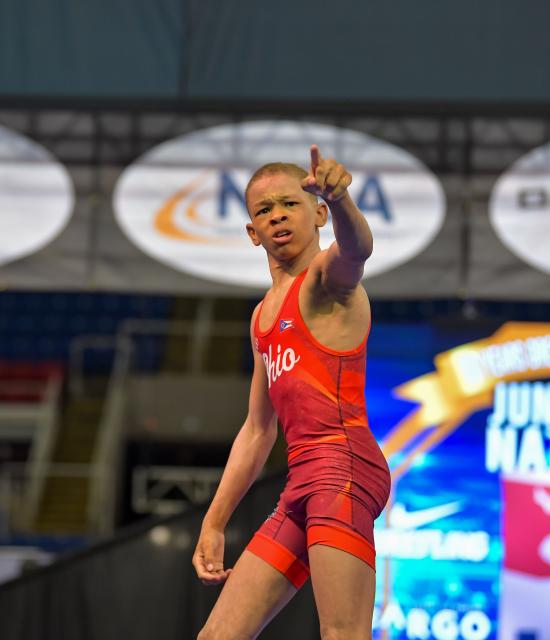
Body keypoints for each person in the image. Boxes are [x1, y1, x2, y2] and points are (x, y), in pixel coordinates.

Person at [193, 145, 391, 640]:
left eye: (290, 203)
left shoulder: (327, 282)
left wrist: (344, 199)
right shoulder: (262, 317)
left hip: (343, 467)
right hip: (302, 482)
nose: (277, 215)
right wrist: (215, 522)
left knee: (342, 633)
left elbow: (357, 250)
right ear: (251, 231)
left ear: (318, 212)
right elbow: (258, 430)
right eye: (264, 210)